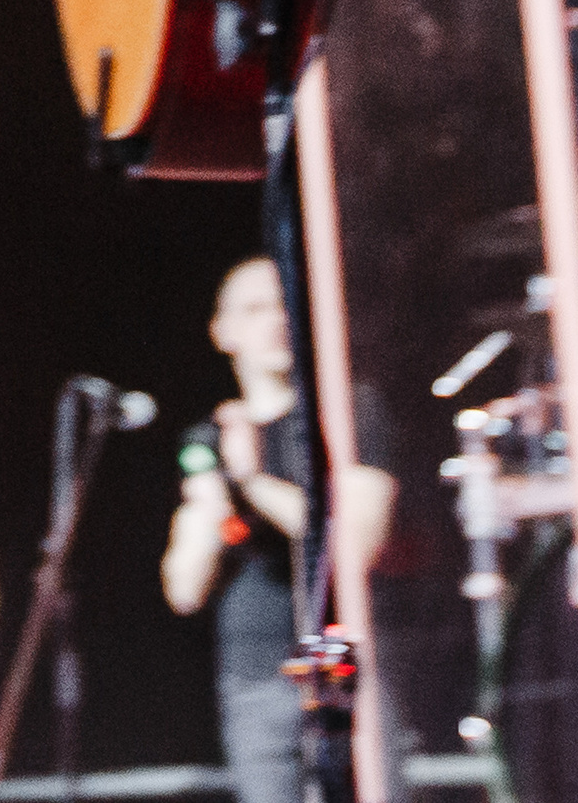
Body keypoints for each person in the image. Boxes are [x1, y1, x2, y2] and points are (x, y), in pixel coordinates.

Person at [161, 257, 393, 803]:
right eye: (255, 309)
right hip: (253, 680)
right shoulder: (208, 437)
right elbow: (183, 590)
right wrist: (208, 513)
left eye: (285, 303)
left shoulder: (348, 411)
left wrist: (255, 479)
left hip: (345, 669)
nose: (276, 320)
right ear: (223, 332)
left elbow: (355, 545)